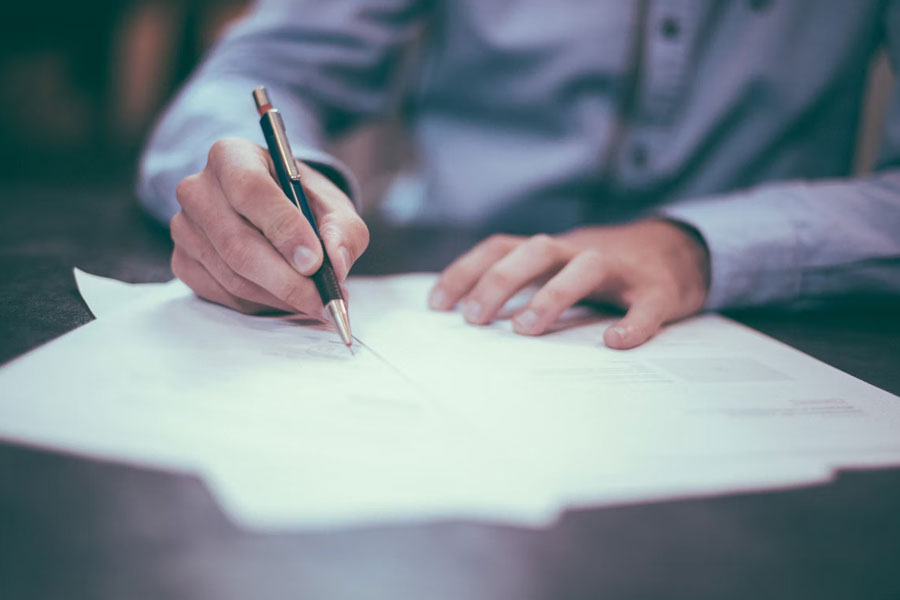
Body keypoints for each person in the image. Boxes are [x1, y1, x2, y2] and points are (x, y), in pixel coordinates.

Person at [139, 1, 900, 350]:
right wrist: (255, 183)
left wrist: (697, 246)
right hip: (444, 292)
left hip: (777, 322)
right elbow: (250, 75)